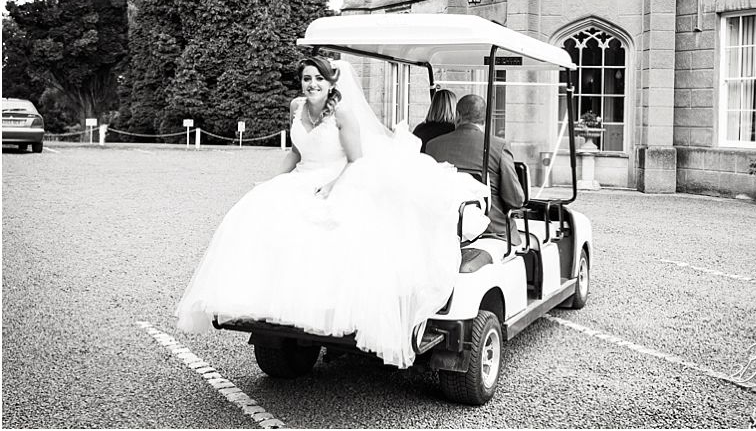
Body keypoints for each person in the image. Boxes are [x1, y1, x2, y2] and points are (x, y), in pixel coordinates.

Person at [176, 56, 489, 369]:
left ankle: (323, 310)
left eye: (318, 79)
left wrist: (331, 186)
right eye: (307, 78)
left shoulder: (342, 113)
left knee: (328, 227)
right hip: (302, 177)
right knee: (257, 209)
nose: (312, 84)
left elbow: (355, 161)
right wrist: (273, 180)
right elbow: (297, 152)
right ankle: (271, 306)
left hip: (338, 177)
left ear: (330, 83)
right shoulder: (296, 107)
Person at [425, 94, 525, 245]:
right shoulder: (499, 147)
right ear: (485, 119)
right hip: (490, 229)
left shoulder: (433, 146)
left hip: (445, 226)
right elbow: (515, 200)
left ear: (457, 116)